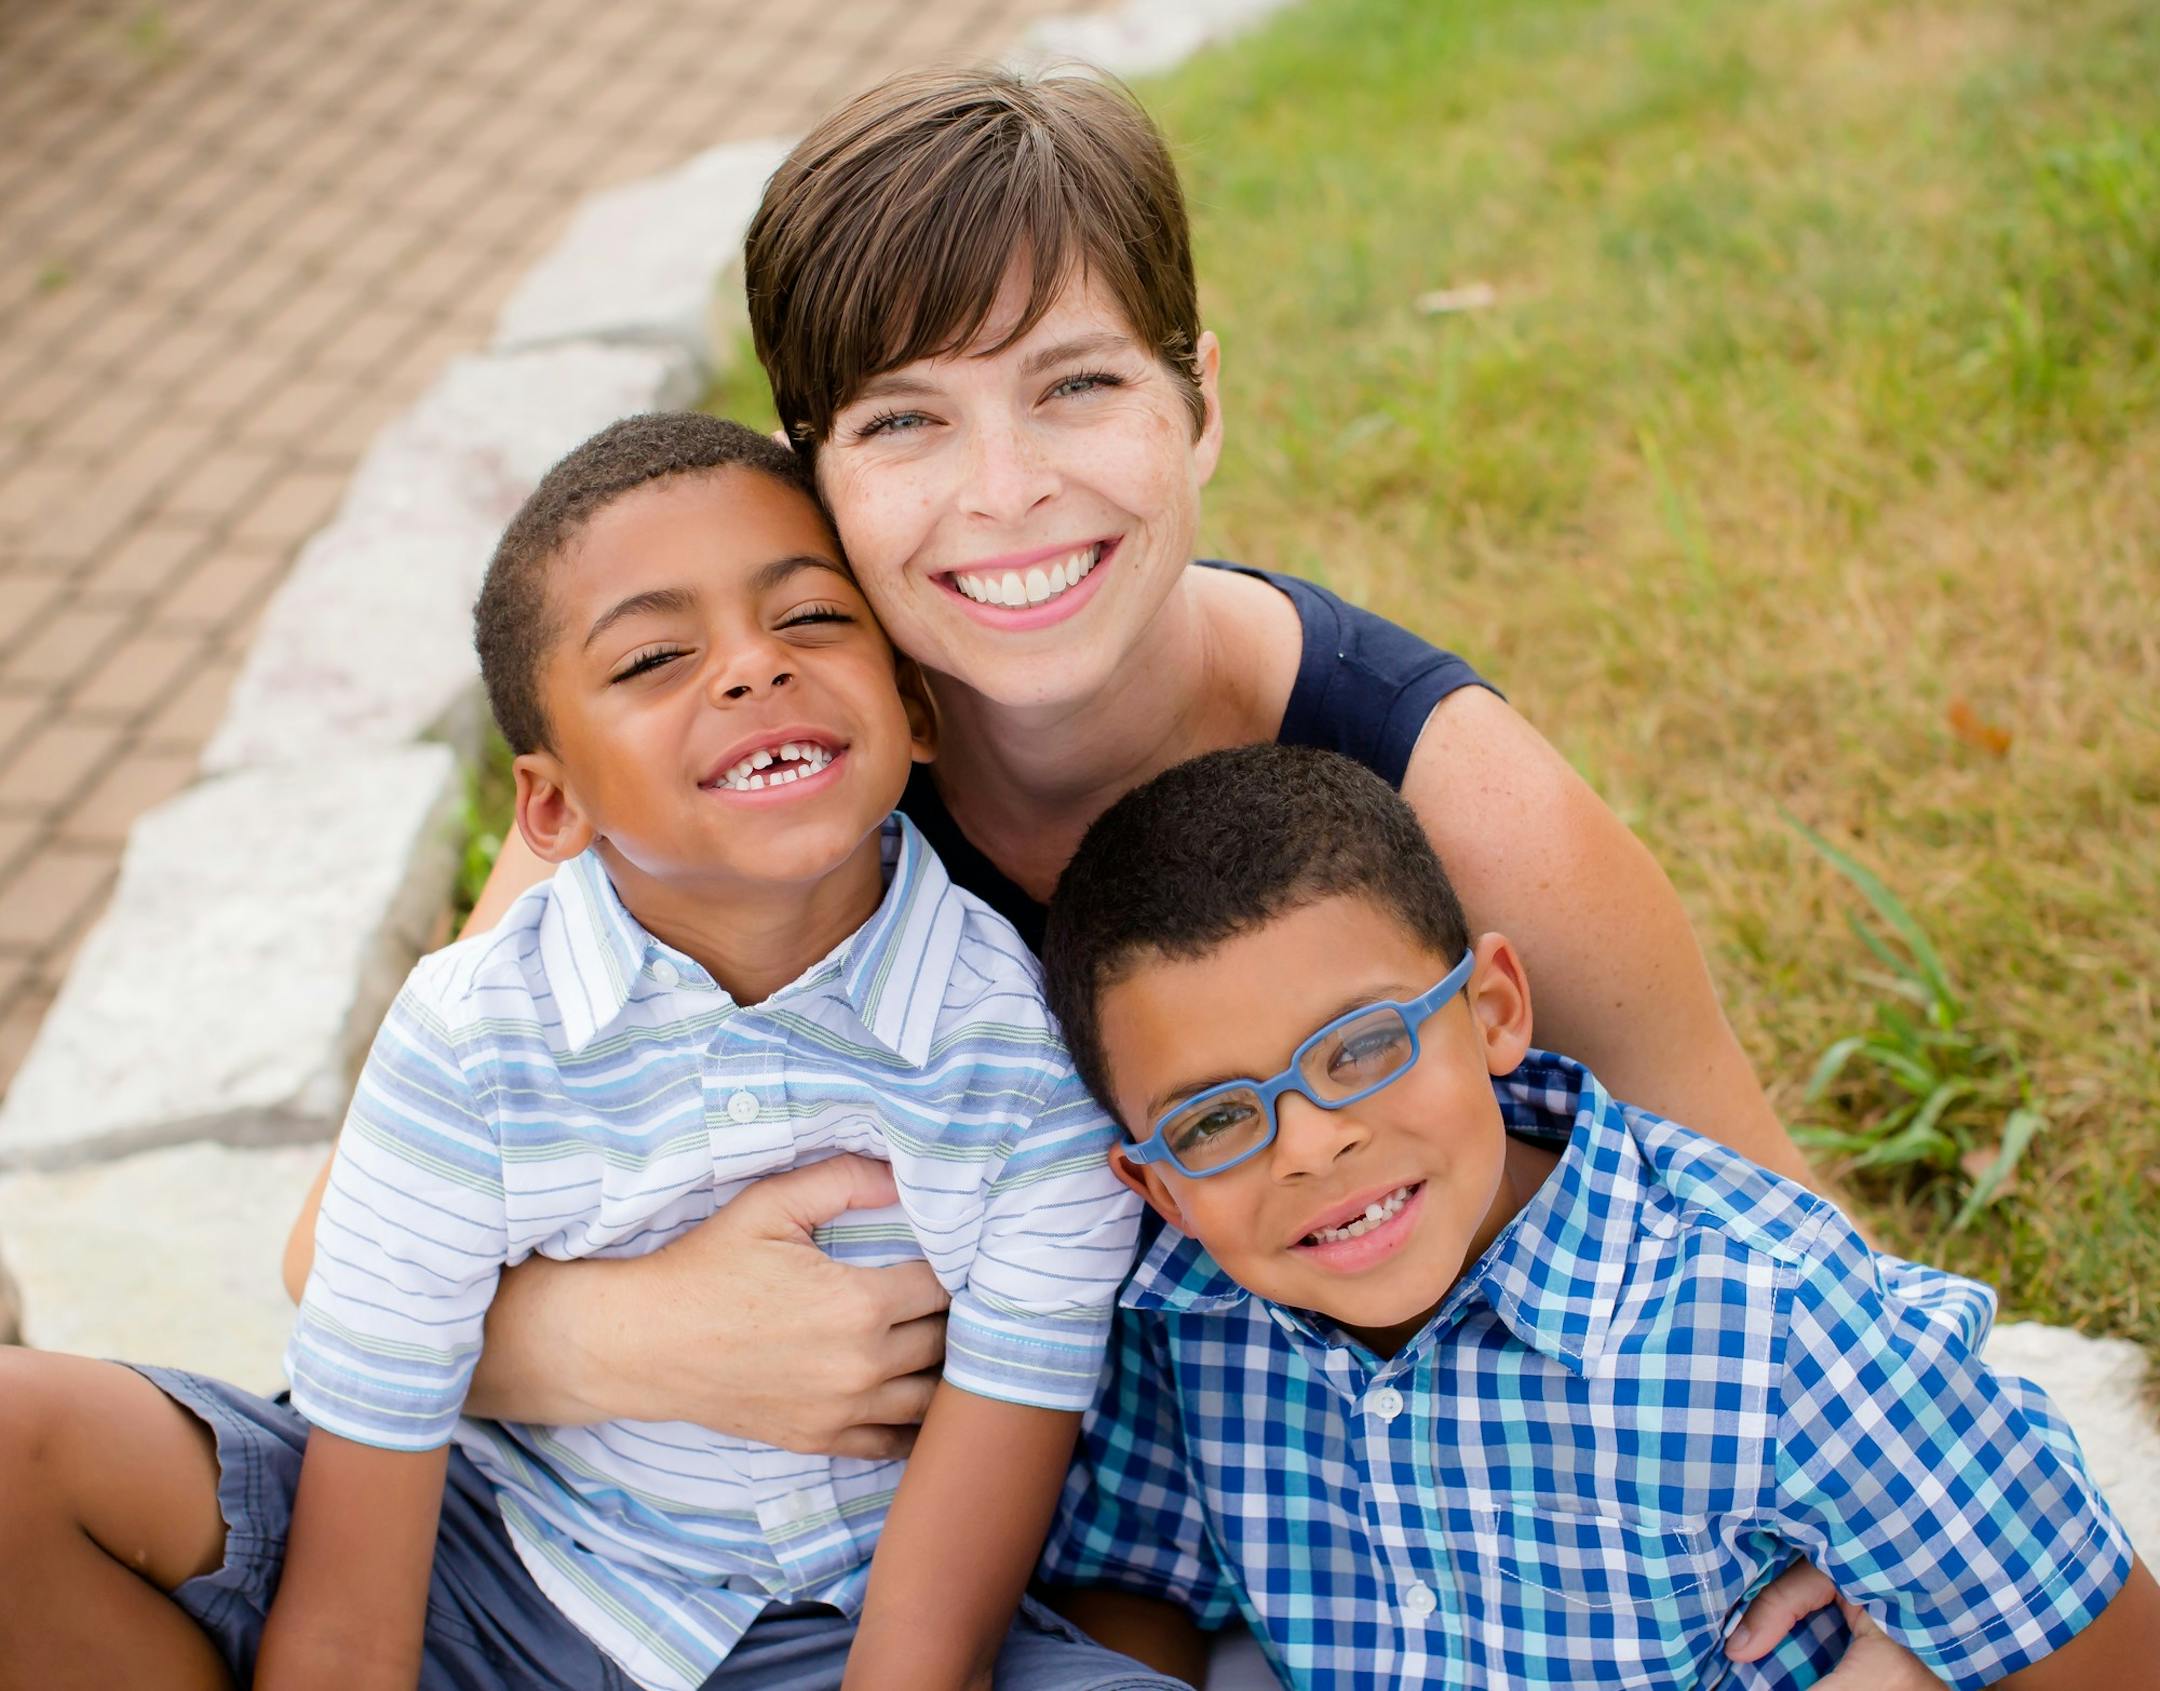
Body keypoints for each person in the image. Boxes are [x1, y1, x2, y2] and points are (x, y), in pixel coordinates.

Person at [283, 64, 1937, 1683]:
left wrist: (1873, 1603)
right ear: (815, 476)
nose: (1005, 491)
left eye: (1078, 386)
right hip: (760, 1579)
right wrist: (620, 1341)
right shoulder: (746, 780)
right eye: (909, 421)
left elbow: (1800, 1264)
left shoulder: (1461, 805)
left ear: (1200, 401)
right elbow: (333, 1250)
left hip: (1317, 1563)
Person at [0, 414, 1178, 1691]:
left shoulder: (1021, 1043)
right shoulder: (471, 1035)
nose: (749, 669)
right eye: (657, 656)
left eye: (811, 619)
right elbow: (353, 1592)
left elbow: (936, 1616)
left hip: (845, 1626)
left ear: (914, 705)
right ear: (554, 805)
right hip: (492, 1561)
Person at [1031, 743, 2160, 1691]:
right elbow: (1135, 1574)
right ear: (1159, 1187)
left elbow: (2105, 1649)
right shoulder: (1188, 1320)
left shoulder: (1770, 1326)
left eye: (1363, 1045)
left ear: (1493, 1009)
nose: (1314, 1141)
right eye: (1218, 1118)